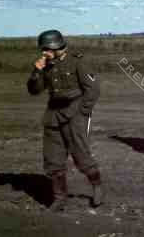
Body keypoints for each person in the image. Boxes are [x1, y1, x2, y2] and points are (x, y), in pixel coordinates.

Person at [27, 30, 102, 211]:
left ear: (55, 47)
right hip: (52, 116)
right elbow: (34, 90)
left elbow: (92, 89)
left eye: (46, 49)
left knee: (81, 156)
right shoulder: (46, 65)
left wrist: (82, 113)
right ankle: (59, 198)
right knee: (53, 160)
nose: (43, 53)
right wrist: (36, 71)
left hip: (74, 114)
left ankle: (97, 187)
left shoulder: (77, 61)